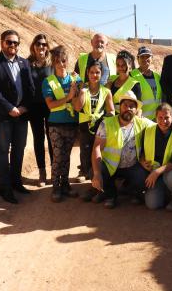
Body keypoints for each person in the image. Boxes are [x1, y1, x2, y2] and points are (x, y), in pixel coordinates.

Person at [0, 30, 35, 204]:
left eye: (16, 43)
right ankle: (4, 188)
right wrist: (9, 108)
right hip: (1, 116)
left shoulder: (24, 63)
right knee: (3, 151)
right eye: (9, 42)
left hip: (21, 115)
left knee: (19, 149)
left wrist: (25, 106)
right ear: (2, 42)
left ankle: (16, 182)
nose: (12, 46)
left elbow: (30, 87)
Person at [91, 91, 153, 209]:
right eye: (125, 105)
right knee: (95, 171)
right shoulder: (107, 123)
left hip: (132, 166)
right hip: (110, 166)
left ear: (136, 110)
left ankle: (128, 190)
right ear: (120, 107)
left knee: (142, 177)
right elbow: (97, 147)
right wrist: (97, 173)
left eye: (132, 106)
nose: (128, 108)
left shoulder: (142, 122)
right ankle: (110, 195)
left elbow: (160, 125)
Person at [42, 45, 81, 203]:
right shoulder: (48, 82)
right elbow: (50, 105)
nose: (61, 64)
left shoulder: (75, 79)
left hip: (71, 123)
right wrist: (69, 97)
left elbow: (83, 94)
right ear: (53, 62)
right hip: (55, 125)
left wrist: (78, 91)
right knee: (58, 156)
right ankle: (56, 187)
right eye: (57, 61)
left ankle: (65, 184)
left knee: (66, 156)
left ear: (67, 61)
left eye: (63, 61)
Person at [73, 61, 114, 202]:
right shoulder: (82, 89)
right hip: (85, 131)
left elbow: (111, 111)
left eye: (97, 72)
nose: (94, 75)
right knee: (86, 160)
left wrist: (102, 119)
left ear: (101, 74)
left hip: (100, 131)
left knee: (98, 159)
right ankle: (94, 186)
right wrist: (82, 93)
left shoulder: (106, 92)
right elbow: (77, 108)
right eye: (91, 72)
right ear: (87, 74)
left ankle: (99, 189)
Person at [140, 103, 172, 212]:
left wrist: (156, 173)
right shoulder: (148, 130)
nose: (163, 121)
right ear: (155, 118)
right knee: (153, 205)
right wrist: (142, 162)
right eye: (160, 118)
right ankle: (164, 191)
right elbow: (141, 152)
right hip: (154, 170)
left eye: (167, 117)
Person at [27, 34, 53, 187]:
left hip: (50, 106)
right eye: (38, 44)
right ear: (33, 46)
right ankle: (42, 173)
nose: (41, 47)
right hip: (34, 107)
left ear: (47, 47)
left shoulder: (52, 64)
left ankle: (54, 171)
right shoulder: (27, 63)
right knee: (38, 139)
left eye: (43, 44)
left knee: (51, 138)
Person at [130, 46, 162, 120]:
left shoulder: (157, 76)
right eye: (142, 57)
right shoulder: (132, 75)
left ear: (152, 58)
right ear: (138, 59)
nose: (145, 59)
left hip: (157, 120)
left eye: (147, 56)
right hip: (141, 119)